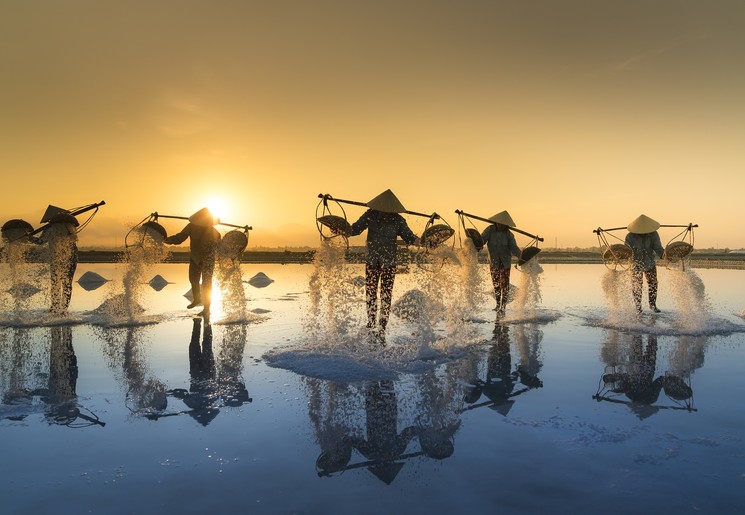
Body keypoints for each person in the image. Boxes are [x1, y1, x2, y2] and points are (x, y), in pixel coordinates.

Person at [348, 189, 420, 343]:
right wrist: (342, 229)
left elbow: (409, 237)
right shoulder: (370, 215)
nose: (386, 213)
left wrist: (423, 242)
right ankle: (371, 322)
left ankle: (382, 327)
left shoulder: (398, 220)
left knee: (386, 295)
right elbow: (354, 229)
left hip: (389, 263)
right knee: (371, 293)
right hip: (372, 262)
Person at [164, 208, 221, 318]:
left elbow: (219, 245)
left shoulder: (213, 231)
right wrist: (168, 240)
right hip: (195, 257)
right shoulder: (191, 227)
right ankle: (196, 299)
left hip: (208, 259)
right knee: (193, 279)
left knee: (207, 283)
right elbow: (179, 238)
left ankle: (206, 309)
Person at [480, 211, 521, 316]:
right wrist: (476, 242)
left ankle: (503, 307)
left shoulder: (509, 235)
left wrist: (520, 255)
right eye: (498, 223)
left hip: (505, 262)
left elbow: (514, 248)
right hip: (494, 262)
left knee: (505, 285)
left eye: (502, 224)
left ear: (506, 225)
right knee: (496, 284)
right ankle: (498, 305)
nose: (500, 225)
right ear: (495, 222)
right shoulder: (490, 230)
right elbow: (482, 240)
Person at [39, 214, 79, 315]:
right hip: (57, 260)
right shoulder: (53, 229)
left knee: (64, 283)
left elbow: (39, 242)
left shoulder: (68, 228)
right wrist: (27, 237)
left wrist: (28, 237)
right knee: (59, 283)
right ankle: (56, 307)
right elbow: (40, 241)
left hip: (69, 259)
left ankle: (63, 308)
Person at [624, 214, 664, 314]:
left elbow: (658, 248)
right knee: (637, 285)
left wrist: (665, 256)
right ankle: (638, 308)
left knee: (653, 283)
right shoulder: (630, 236)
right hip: (635, 263)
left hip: (649, 262)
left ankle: (653, 305)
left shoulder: (653, 234)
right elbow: (627, 251)